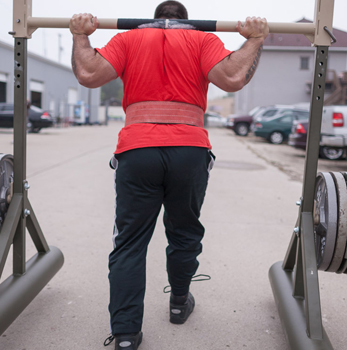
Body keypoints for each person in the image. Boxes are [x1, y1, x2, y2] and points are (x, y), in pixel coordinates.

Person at [70, 2, 268, 348]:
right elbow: (233, 77)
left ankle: (127, 335)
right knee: (183, 231)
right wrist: (256, 39)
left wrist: (79, 36)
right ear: (184, 22)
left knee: (130, 242)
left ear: (156, 18)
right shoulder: (202, 41)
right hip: (189, 151)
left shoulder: (130, 38)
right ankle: (179, 303)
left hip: (138, 150)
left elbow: (88, 74)